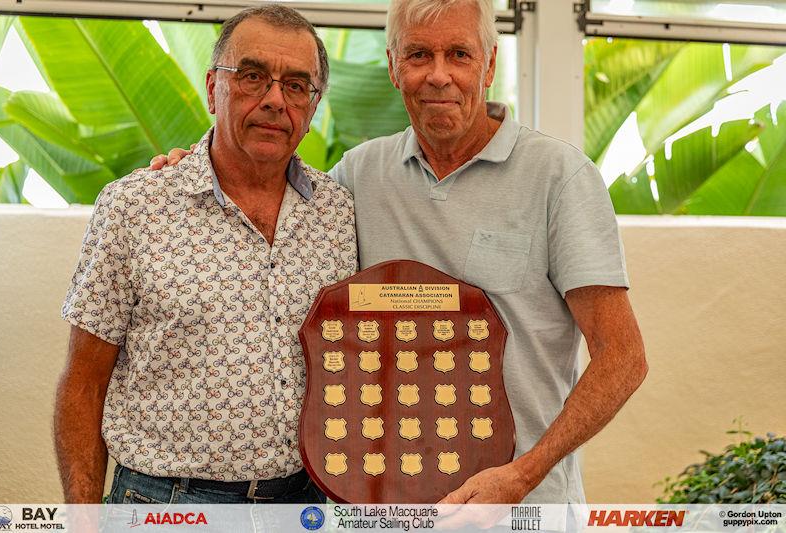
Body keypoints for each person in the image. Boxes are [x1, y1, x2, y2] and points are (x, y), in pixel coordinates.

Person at [152, 0, 647, 523]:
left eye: (459, 54)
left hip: (518, 509)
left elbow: (623, 358)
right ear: (392, 66)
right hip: (383, 509)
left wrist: (522, 475)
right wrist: (194, 167)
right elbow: (266, 189)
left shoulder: (559, 177)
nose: (439, 75)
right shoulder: (358, 177)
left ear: (490, 65)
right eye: (418, 55)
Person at [56, 5, 357, 505]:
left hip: (305, 505)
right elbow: (83, 383)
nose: (275, 100)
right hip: (166, 502)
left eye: (296, 85)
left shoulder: (339, 213)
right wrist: (84, 519)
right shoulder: (136, 208)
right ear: (212, 87)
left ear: (314, 103)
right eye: (253, 77)